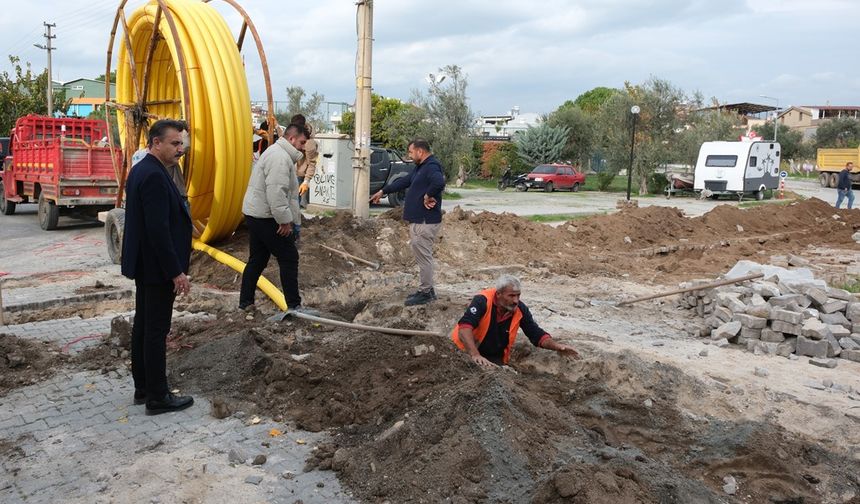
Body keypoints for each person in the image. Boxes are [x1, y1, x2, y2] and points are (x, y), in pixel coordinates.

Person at [121, 119, 193, 415]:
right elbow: (158, 230)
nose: (180, 149)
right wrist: (175, 271)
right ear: (156, 143)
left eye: (181, 143)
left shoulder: (142, 170)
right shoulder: (152, 175)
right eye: (175, 144)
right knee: (156, 329)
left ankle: (143, 387)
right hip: (156, 267)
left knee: (144, 325)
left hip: (147, 265)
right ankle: (158, 396)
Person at [240, 123, 315, 314]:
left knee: (258, 259)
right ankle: (294, 305)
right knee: (289, 257)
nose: (303, 147)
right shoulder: (280, 158)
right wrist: (284, 221)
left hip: (258, 213)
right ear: (291, 139)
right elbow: (276, 193)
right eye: (302, 142)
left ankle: (245, 302)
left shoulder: (277, 152)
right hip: (266, 216)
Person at [370, 139, 445, 306]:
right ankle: (428, 289)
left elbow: (439, 182)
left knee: (424, 258)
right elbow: (405, 181)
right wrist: (383, 191)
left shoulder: (431, 166)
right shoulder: (421, 167)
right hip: (419, 221)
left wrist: (428, 195)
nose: (409, 156)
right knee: (422, 257)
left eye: (411, 152)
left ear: (420, 151)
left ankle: (425, 292)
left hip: (425, 221)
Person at [451, 275, 580, 368]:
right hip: (465, 352)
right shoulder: (482, 301)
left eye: (518, 295)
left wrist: (557, 346)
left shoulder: (520, 309)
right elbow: (464, 328)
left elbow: (535, 333)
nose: (516, 300)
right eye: (511, 296)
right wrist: (474, 354)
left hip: (494, 357)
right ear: (499, 294)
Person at [290, 114, 318, 209]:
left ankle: (297, 222)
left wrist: (306, 181)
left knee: (296, 204)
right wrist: (276, 125)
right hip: (292, 173)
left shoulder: (309, 143)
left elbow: (312, 164)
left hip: (300, 175)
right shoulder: (293, 136)